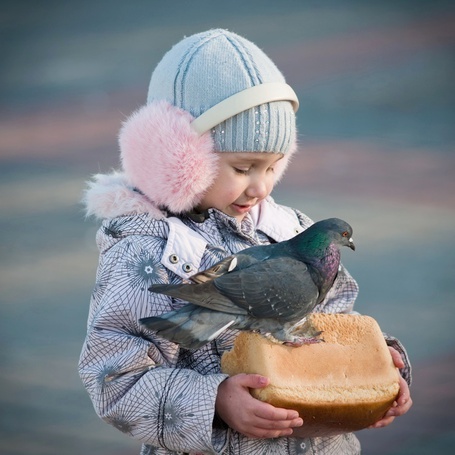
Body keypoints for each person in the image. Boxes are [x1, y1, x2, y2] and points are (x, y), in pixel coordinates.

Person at [79, 29, 412, 454]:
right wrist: (214, 402)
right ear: (180, 159)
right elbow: (115, 378)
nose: (260, 187)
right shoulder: (144, 251)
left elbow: (334, 322)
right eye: (243, 167)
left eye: (273, 167)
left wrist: (379, 367)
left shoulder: (294, 230)